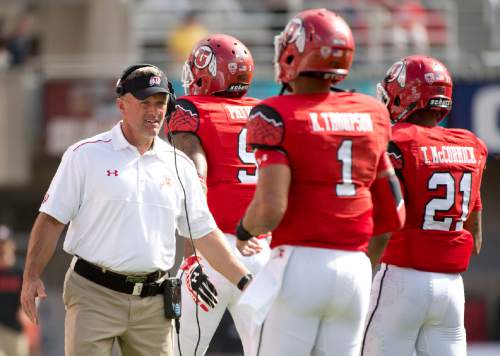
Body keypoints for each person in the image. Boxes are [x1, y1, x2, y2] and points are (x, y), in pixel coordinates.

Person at [20, 64, 253, 356]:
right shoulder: (85, 154)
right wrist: (31, 276)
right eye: (145, 103)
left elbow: (205, 233)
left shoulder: (179, 164)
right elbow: (51, 220)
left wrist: (245, 280)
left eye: (160, 103)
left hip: (154, 302)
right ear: (121, 105)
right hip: (93, 293)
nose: (154, 112)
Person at [235, 9, 405, 356]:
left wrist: (243, 231)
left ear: (295, 51)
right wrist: (360, 267)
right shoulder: (371, 112)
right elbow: (393, 215)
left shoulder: (276, 112)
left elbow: (270, 208)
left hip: (299, 263)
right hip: (355, 268)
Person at [361, 55, 488, 356]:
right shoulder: (471, 145)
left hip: (400, 281)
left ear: (405, 96)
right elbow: (476, 235)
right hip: (452, 290)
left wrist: (362, 275)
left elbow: (387, 222)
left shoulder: (396, 142)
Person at [167, 34, 271, 356]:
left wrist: (192, 254)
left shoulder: (191, 109)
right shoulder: (264, 113)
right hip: (260, 251)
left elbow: (195, 183)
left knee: (179, 352)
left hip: (211, 249)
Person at [0, 225, 29, 356]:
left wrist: (24, 310)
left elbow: (32, 298)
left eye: (4, 243)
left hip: (15, 330)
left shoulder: (20, 273)